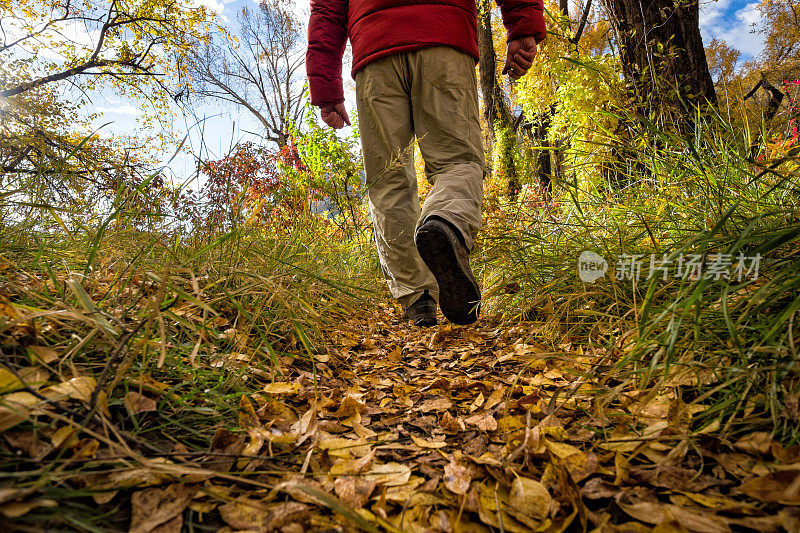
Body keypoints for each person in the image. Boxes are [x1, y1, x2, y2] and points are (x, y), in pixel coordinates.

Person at [306, 0, 545, 326]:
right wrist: (523, 24)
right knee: (459, 162)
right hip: (443, 37)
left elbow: (327, 9)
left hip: (375, 54)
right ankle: (445, 220)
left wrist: (325, 86)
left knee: (388, 181)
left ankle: (417, 299)